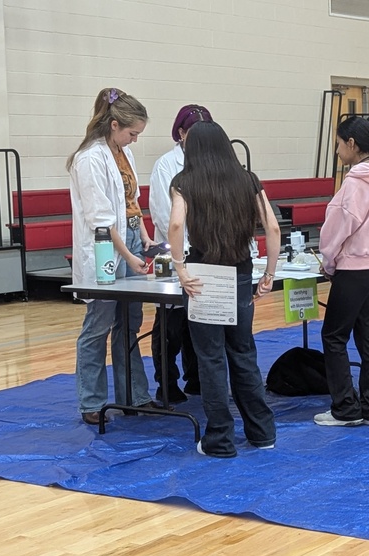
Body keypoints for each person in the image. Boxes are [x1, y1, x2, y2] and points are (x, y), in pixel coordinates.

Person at [169, 121, 279, 458]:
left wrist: (180, 268)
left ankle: (220, 439)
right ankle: (262, 432)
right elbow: (272, 227)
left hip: (203, 276)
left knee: (211, 358)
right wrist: (269, 274)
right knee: (243, 353)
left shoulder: (184, 182)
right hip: (240, 273)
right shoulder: (248, 180)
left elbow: (176, 223)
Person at [68, 87, 159, 425]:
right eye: (132, 133)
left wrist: (144, 237)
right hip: (106, 246)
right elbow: (102, 219)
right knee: (100, 323)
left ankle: (133, 396)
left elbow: (131, 202)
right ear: (115, 124)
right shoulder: (89, 158)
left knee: (130, 322)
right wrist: (127, 255)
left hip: (130, 236)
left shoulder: (124, 152)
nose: (135, 140)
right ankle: (91, 401)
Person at [315, 116, 369, 426]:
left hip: (355, 267)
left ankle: (345, 408)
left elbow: (337, 228)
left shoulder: (355, 182)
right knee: (368, 333)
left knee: (333, 336)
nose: (336, 151)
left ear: (351, 143)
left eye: (338, 144)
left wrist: (328, 261)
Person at [147, 104, 212, 403]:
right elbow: (165, 216)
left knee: (199, 321)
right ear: (181, 133)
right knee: (171, 325)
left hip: (205, 255)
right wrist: (185, 253)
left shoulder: (211, 163)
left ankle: (196, 377)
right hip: (175, 255)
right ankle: (167, 382)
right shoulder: (165, 165)